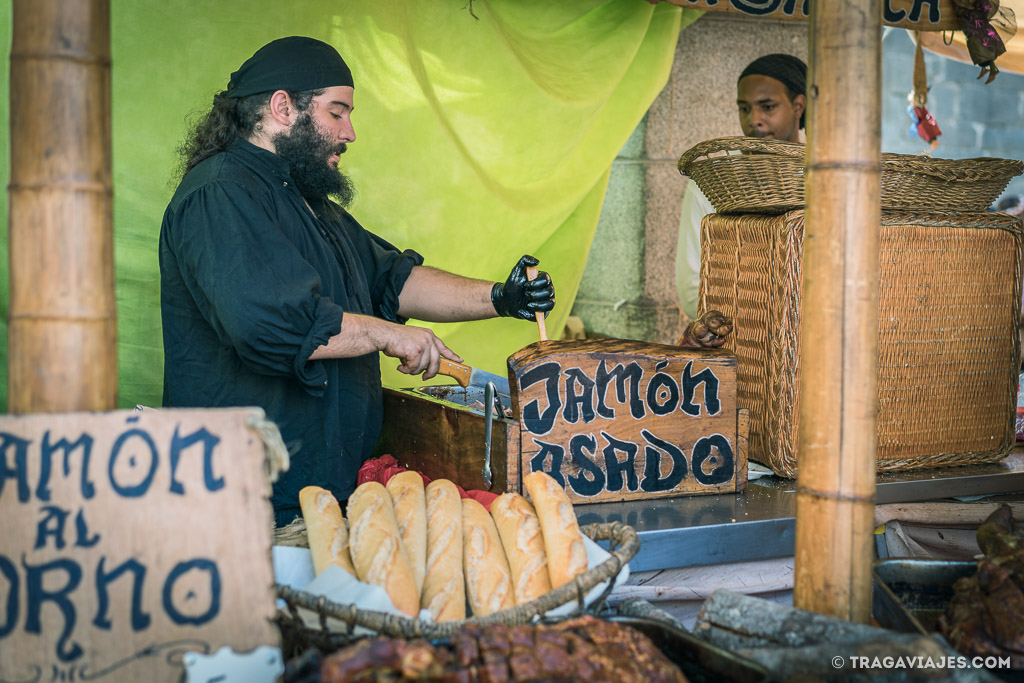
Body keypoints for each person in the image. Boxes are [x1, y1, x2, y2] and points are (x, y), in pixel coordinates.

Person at [159, 37, 555, 526]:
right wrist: (390, 335)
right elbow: (270, 324)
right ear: (283, 107)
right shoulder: (221, 193)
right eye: (337, 112)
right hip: (246, 503)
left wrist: (502, 296)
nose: (350, 132)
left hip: (328, 492)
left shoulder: (308, 201)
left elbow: (394, 279)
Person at [675, 53, 807, 320]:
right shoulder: (712, 182)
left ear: (798, 106)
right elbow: (691, 291)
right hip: (739, 340)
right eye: (744, 108)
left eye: (767, 107)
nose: (754, 119)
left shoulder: (830, 178)